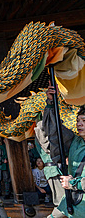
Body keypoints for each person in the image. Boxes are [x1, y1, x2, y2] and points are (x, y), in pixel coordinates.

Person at [43, 84, 85, 218]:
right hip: (71, 198)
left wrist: (73, 183)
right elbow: (56, 133)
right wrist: (51, 103)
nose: (79, 124)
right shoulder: (75, 141)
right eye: (78, 120)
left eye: (84, 121)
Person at [34, 121, 65, 208]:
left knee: (61, 197)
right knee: (61, 199)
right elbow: (48, 147)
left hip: (54, 168)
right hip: (53, 168)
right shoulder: (41, 130)